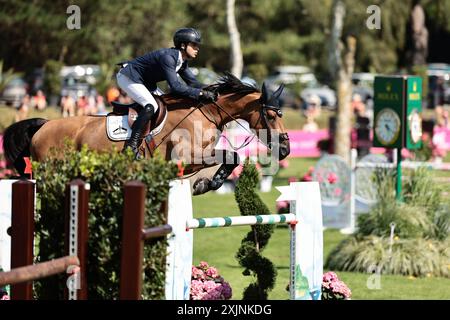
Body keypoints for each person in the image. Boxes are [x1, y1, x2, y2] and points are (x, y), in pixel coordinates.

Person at [116, 27, 218, 159]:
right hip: (129, 77)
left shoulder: (181, 61)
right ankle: (130, 146)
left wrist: (213, 88)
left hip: (145, 82)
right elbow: (175, 87)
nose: (197, 48)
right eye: (194, 45)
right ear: (183, 45)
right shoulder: (168, 58)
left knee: (166, 104)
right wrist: (200, 94)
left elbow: (193, 83)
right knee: (151, 105)